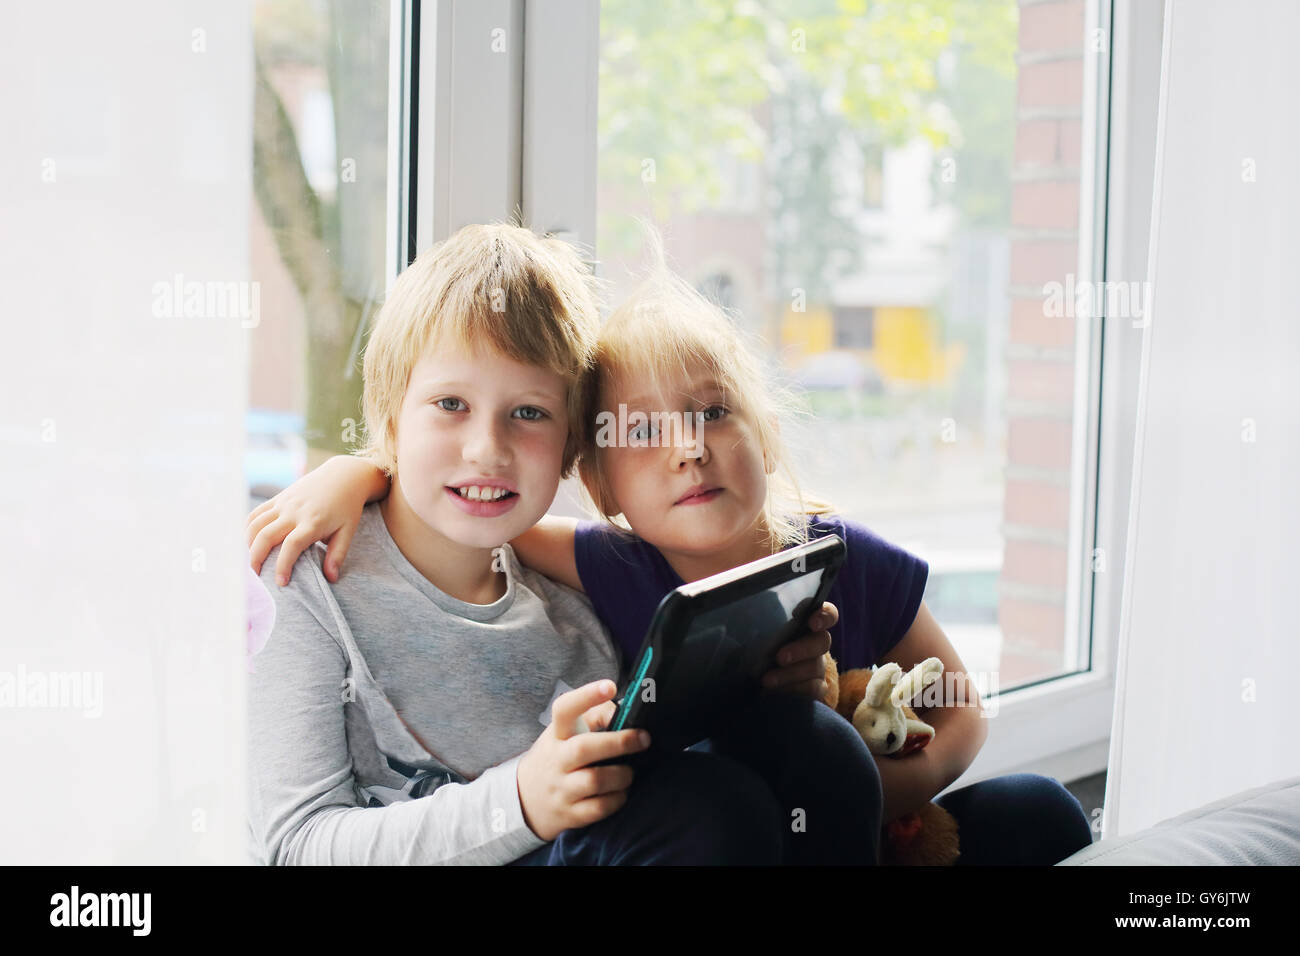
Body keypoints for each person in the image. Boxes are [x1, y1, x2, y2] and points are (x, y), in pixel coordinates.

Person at [252, 229, 1093, 865]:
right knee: (720, 802)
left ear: (571, 449)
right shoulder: (310, 583)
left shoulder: (577, 607)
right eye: (449, 407)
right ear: (391, 418)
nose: (487, 450)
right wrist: (361, 471)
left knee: (1030, 810)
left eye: (529, 414)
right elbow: (292, 844)